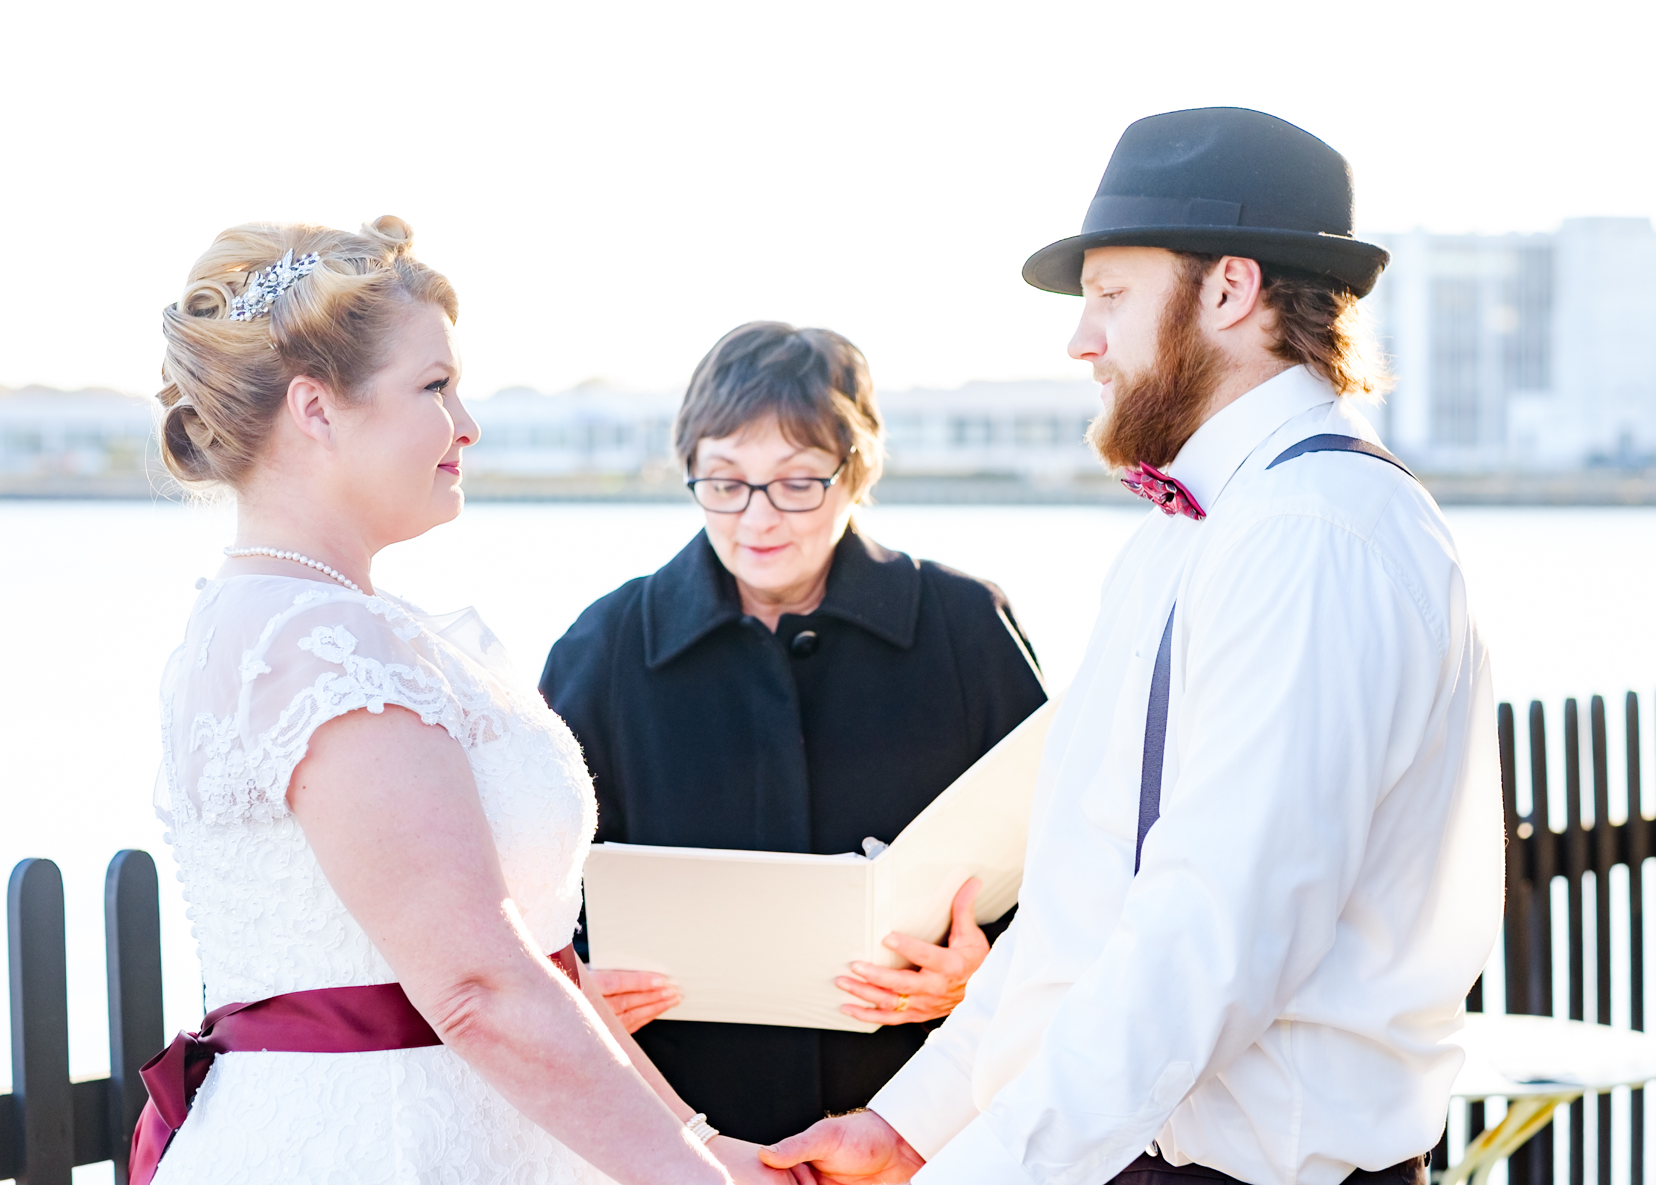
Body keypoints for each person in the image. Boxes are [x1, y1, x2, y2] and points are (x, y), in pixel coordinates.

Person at [762, 108, 1503, 1184]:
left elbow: (1207, 942)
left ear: (1229, 290)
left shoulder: (1311, 535)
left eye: (1110, 295)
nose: (1081, 339)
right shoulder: (1196, 530)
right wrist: (913, 1125)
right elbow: (1086, 905)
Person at [142, 216, 797, 1185]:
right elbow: (478, 987)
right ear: (316, 408)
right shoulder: (314, 643)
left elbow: (530, 964)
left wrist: (706, 1149)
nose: (467, 424)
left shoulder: (316, 624)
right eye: (434, 386)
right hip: (376, 1144)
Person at [540, 321, 1049, 1145]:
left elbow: (1069, 870)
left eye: (798, 482)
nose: (757, 518)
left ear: (859, 469)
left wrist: (981, 967)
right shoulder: (602, 647)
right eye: (725, 481)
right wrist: (576, 988)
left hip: (919, 1128)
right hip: (687, 1137)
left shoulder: (966, 628)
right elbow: (532, 899)